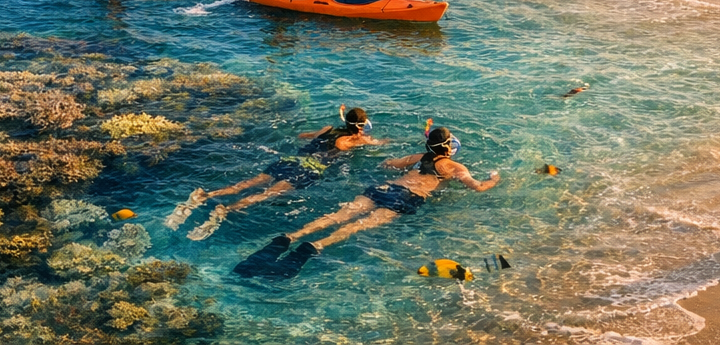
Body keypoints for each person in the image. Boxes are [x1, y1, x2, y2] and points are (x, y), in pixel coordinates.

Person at [234, 124, 500, 279]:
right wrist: (494, 179)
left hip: (384, 187)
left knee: (336, 216)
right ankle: (316, 245)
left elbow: (387, 164)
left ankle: (291, 236)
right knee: (356, 226)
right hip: (407, 198)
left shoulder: (417, 157)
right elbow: (477, 188)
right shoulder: (454, 167)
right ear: (448, 146)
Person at [166, 108, 384, 240]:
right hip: (309, 169)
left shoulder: (327, 129)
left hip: (292, 160)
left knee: (251, 182)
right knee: (268, 193)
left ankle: (205, 196)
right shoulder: (356, 140)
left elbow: (302, 135)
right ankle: (225, 209)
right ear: (361, 125)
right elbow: (379, 143)